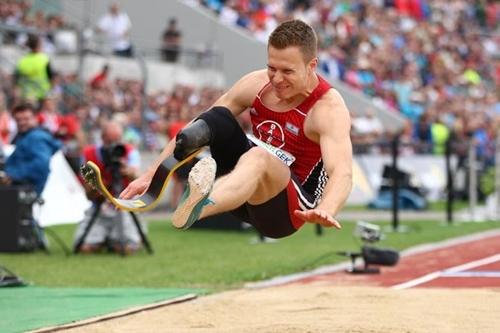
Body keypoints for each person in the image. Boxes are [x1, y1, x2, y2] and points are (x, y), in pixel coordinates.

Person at [121, 19, 353, 239]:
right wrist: (151, 173)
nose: (277, 79)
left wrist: (327, 208)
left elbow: (342, 171)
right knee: (217, 118)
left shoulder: (327, 108)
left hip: (283, 213)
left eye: (288, 71)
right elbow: (200, 124)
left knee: (260, 157)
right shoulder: (257, 83)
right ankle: (174, 188)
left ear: (311, 66)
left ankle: (199, 207)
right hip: (240, 191)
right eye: (272, 68)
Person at [74, 121, 144, 254]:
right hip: (99, 207)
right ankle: (106, 239)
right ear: (102, 138)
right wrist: (98, 184)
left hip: (124, 205)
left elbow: (139, 180)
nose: (114, 145)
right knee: (85, 248)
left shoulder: (128, 152)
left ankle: (116, 239)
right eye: (110, 141)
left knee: (128, 248)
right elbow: (88, 195)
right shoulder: (89, 154)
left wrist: (128, 171)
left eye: (117, 140)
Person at [0, 103, 61, 196]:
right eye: (18, 120)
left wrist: (13, 175)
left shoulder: (36, 137)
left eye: (26, 119)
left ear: (35, 118)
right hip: (21, 191)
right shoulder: (26, 136)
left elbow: (41, 165)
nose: (22, 122)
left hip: (24, 192)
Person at [14, 34, 54, 103]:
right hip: (43, 94)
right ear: (39, 45)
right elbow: (51, 77)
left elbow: (17, 80)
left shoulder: (22, 61)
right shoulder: (44, 59)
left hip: (27, 95)